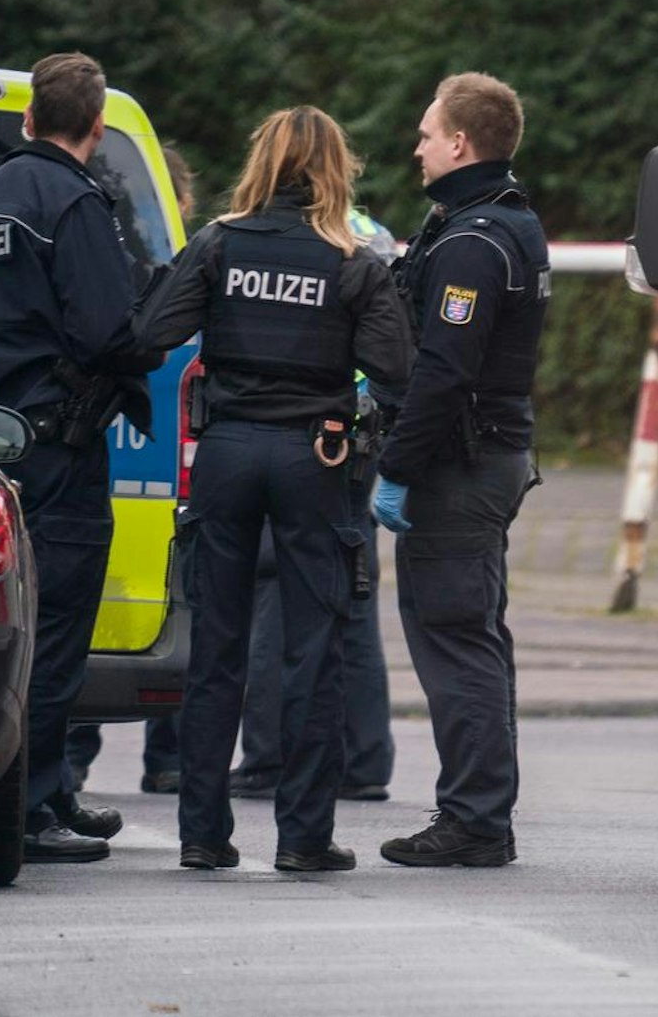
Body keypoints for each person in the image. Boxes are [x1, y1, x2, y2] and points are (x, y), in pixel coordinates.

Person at [133, 106, 412, 872]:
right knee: (313, 648)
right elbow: (396, 368)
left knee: (216, 649)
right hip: (313, 459)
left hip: (224, 453)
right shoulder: (354, 260)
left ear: (261, 161)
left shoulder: (219, 242)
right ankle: (303, 838)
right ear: (334, 169)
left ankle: (201, 834)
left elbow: (153, 330)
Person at [0, 52, 161, 863]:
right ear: (96, 130)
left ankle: (50, 782)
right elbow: (109, 331)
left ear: (30, 117)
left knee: (4, 626)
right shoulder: (72, 202)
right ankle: (34, 805)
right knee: (59, 629)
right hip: (55, 446)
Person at [372, 73, 549, 868]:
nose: (416, 146)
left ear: (460, 143)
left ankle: (475, 819)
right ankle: (480, 812)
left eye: (425, 132)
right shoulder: (496, 221)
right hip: (489, 457)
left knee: (454, 638)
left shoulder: (474, 242)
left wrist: (398, 465)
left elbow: (444, 371)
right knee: (474, 634)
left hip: (461, 465)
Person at [231, 207, 401, 803]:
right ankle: (364, 757)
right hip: (361, 430)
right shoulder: (367, 232)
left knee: (280, 587)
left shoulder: (280, 239)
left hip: (305, 429)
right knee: (354, 589)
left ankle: (270, 757)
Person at [68, 145, 200, 798]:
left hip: (73, 449)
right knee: (177, 602)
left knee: (71, 615)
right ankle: (164, 759)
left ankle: (69, 765)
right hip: (150, 466)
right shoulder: (177, 264)